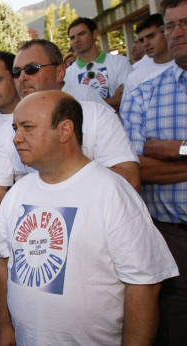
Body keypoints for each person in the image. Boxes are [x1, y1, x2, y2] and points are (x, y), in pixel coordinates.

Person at [0, 91, 178, 346]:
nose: (16, 138)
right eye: (15, 128)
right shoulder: (16, 194)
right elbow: (5, 264)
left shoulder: (112, 192)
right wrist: (5, 327)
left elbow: (144, 285)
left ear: (65, 131)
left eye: (28, 127)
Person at [0, 39, 141, 217]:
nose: (23, 77)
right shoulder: (6, 132)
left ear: (59, 72)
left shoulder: (97, 116)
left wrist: (56, 205)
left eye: (32, 69)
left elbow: (128, 179)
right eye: (16, 72)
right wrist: (41, 222)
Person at [120, 1, 187, 343]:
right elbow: (134, 168)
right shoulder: (142, 92)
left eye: (185, 23)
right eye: (171, 26)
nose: (177, 33)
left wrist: (179, 150)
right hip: (171, 240)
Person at [64, 17, 133, 110]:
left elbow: (128, 99)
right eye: (72, 37)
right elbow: (73, 109)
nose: (76, 40)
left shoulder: (120, 62)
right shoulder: (67, 75)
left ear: (94, 34)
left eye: (81, 34)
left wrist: (85, 105)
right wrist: (112, 100)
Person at [123, 14, 174, 96]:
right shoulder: (135, 78)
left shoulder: (183, 65)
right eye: (142, 40)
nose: (145, 44)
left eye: (151, 36)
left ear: (166, 32)